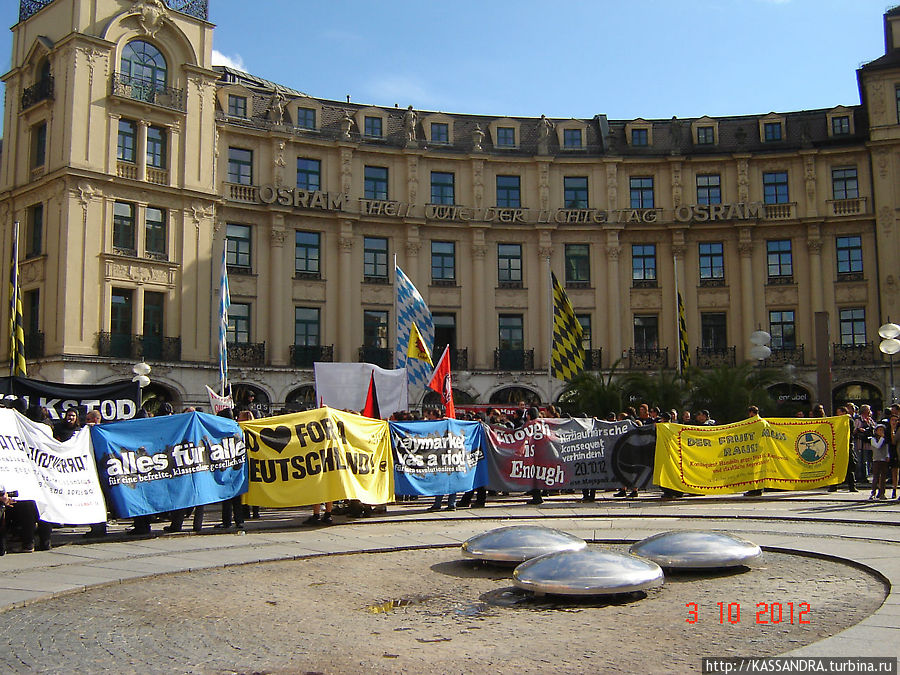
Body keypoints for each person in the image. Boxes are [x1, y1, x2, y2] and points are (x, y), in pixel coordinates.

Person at [869, 424, 889, 500]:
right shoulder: (873, 439)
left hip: (883, 459)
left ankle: (882, 493)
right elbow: (878, 446)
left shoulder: (885, 440)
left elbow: (886, 448)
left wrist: (887, 455)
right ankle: (873, 492)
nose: (881, 432)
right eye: (879, 430)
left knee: (883, 477)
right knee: (876, 476)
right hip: (876, 459)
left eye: (882, 430)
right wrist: (882, 438)